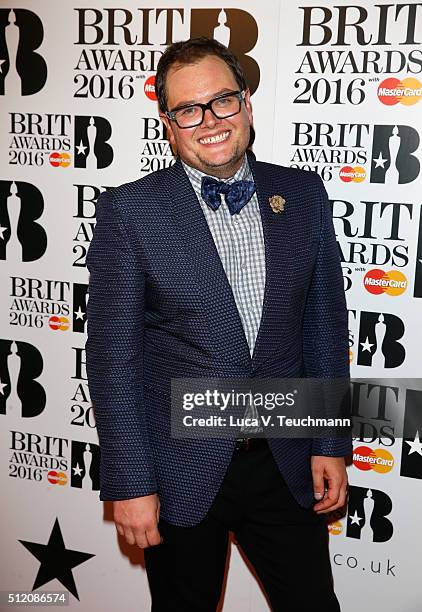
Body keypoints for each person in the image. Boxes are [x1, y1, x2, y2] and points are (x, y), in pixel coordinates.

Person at [86, 36, 351, 612]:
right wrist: (131, 483)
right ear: (169, 123)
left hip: (285, 459)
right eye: (188, 109)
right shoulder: (130, 212)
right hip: (180, 468)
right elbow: (114, 361)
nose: (209, 121)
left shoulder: (302, 195)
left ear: (247, 103)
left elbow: (324, 326)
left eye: (222, 101)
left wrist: (330, 440)